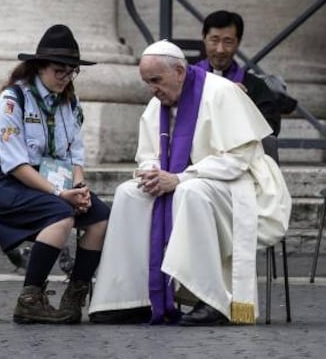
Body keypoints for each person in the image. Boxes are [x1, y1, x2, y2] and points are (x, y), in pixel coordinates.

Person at [88, 40, 291, 326]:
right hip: (185, 183)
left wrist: (180, 178)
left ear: (180, 71)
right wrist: (151, 173)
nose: (152, 89)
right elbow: (148, 155)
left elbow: (237, 160)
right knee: (129, 193)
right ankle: (131, 299)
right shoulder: (157, 103)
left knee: (190, 191)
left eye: (156, 80)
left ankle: (211, 300)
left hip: (236, 185)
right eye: (147, 82)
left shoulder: (221, 93)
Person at [0, 24, 110, 324]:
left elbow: (75, 154)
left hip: (53, 182)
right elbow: (15, 164)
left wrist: (78, 187)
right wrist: (60, 195)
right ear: (38, 67)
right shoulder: (13, 101)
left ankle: (74, 295)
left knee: (101, 217)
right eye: (59, 70)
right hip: (6, 183)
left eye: (71, 71)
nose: (66, 77)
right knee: (60, 215)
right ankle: (30, 298)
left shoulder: (70, 103)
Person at [196, 10, 281, 136]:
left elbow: (270, 130)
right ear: (204, 37)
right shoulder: (186, 81)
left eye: (228, 42)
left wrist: (242, 106)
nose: (220, 49)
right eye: (214, 40)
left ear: (238, 42)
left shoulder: (255, 87)